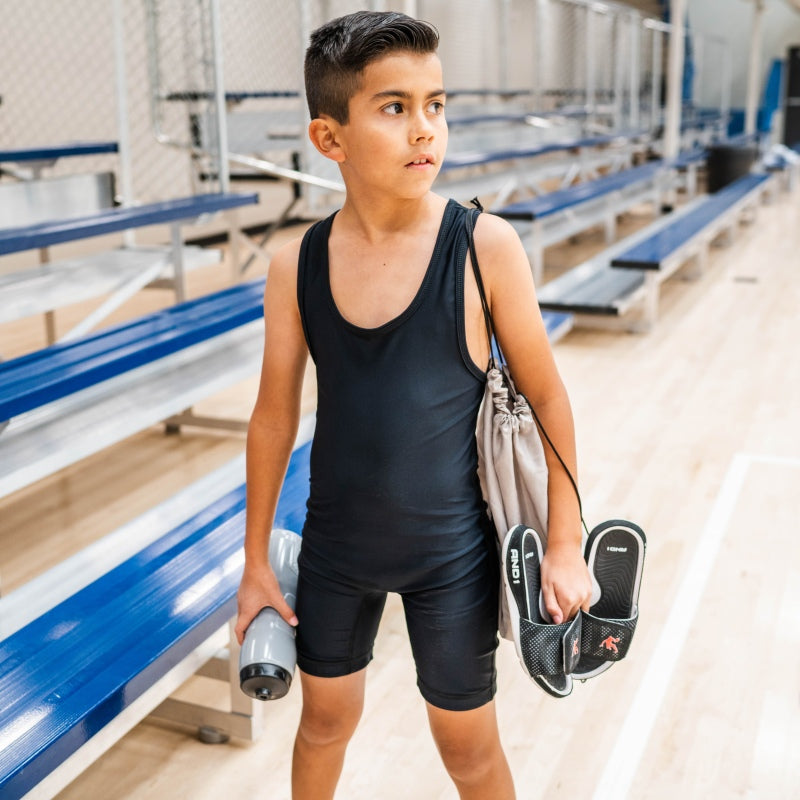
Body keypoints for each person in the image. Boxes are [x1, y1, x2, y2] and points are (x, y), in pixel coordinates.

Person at [235, 10, 592, 799]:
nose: (424, 129)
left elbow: (548, 397)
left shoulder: (484, 245)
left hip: (451, 558)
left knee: (467, 751)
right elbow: (272, 416)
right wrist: (258, 560)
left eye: (436, 105)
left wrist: (565, 544)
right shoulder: (296, 263)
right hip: (335, 549)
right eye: (394, 108)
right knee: (323, 726)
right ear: (330, 139)